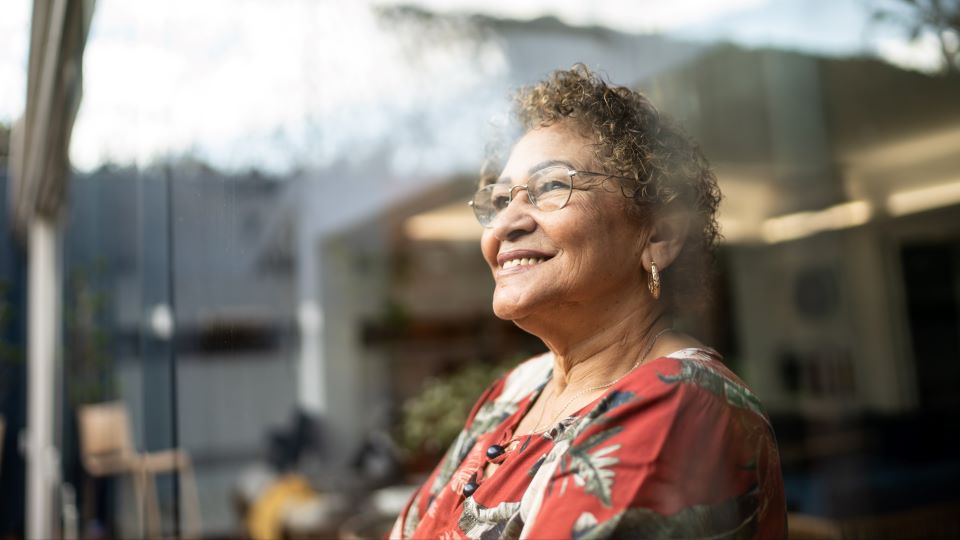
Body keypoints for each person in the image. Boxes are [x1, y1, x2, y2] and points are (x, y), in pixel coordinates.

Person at [390, 65, 786, 539]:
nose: (506, 224)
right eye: (499, 201)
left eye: (552, 186)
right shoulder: (517, 390)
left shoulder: (681, 401)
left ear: (658, 235)